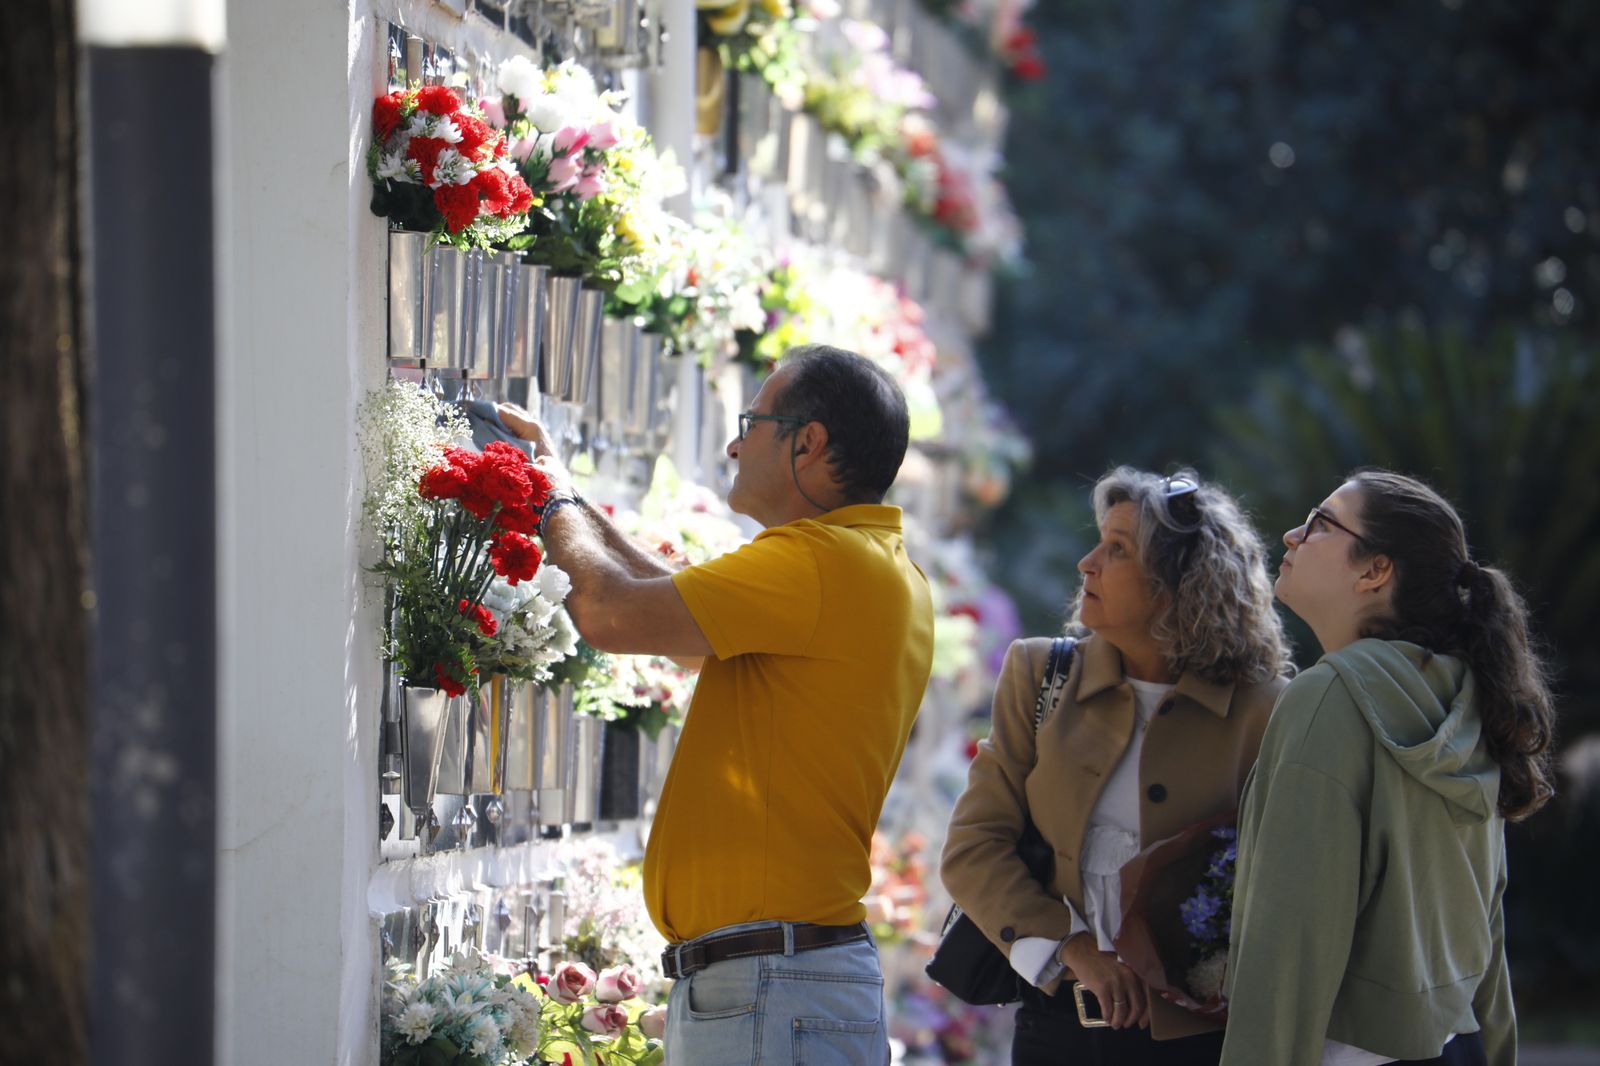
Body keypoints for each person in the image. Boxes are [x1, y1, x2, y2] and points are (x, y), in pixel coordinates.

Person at [498, 343, 935, 1066]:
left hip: (773, 983)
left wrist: (548, 499)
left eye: (751, 423)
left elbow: (609, 613)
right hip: (780, 978)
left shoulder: (820, 560)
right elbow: (674, 620)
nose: (734, 446)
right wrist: (568, 496)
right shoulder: (866, 563)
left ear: (808, 442)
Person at [942, 466, 1294, 1065]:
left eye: (1118, 549)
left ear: (1180, 584)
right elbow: (974, 847)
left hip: (1203, 1039)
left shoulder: (1268, 710)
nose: (1087, 563)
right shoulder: (1039, 675)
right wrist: (1072, 948)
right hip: (1056, 1026)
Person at [1220, 471, 1556, 1066]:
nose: (1293, 535)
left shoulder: (1329, 696)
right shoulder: (1466, 696)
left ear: (1375, 570)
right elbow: (1487, 924)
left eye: (1321, 524)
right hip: (1458, 1046)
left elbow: (1289, 937)